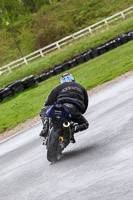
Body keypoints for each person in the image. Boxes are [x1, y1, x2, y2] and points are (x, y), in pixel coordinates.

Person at [39, 73, 89, 143]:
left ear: (62, 81)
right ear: (73, 79)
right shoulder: (81, 87)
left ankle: (45, 129)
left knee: (44, 110)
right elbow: (85, 104)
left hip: (62, 108)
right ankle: (71, 132)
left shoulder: (59, 87)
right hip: (74, 110)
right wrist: (79, 112)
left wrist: (51, 107)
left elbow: (48, 103)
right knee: (85, 124)